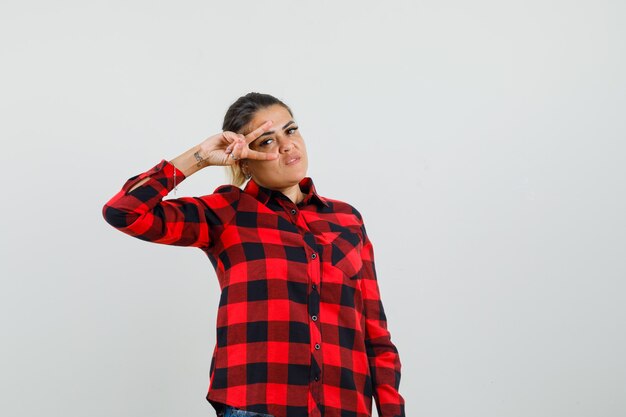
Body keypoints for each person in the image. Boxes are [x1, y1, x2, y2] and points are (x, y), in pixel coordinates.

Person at [101, 93, 405, 417]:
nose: (286, 145)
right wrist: (201, 156)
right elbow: (124, 212)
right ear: (243, 160)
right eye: (266, 141)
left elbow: (376, 333)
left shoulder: (347, 220)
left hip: (344, 407)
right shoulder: (227, 213)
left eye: (290, 131)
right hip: (258, 407)